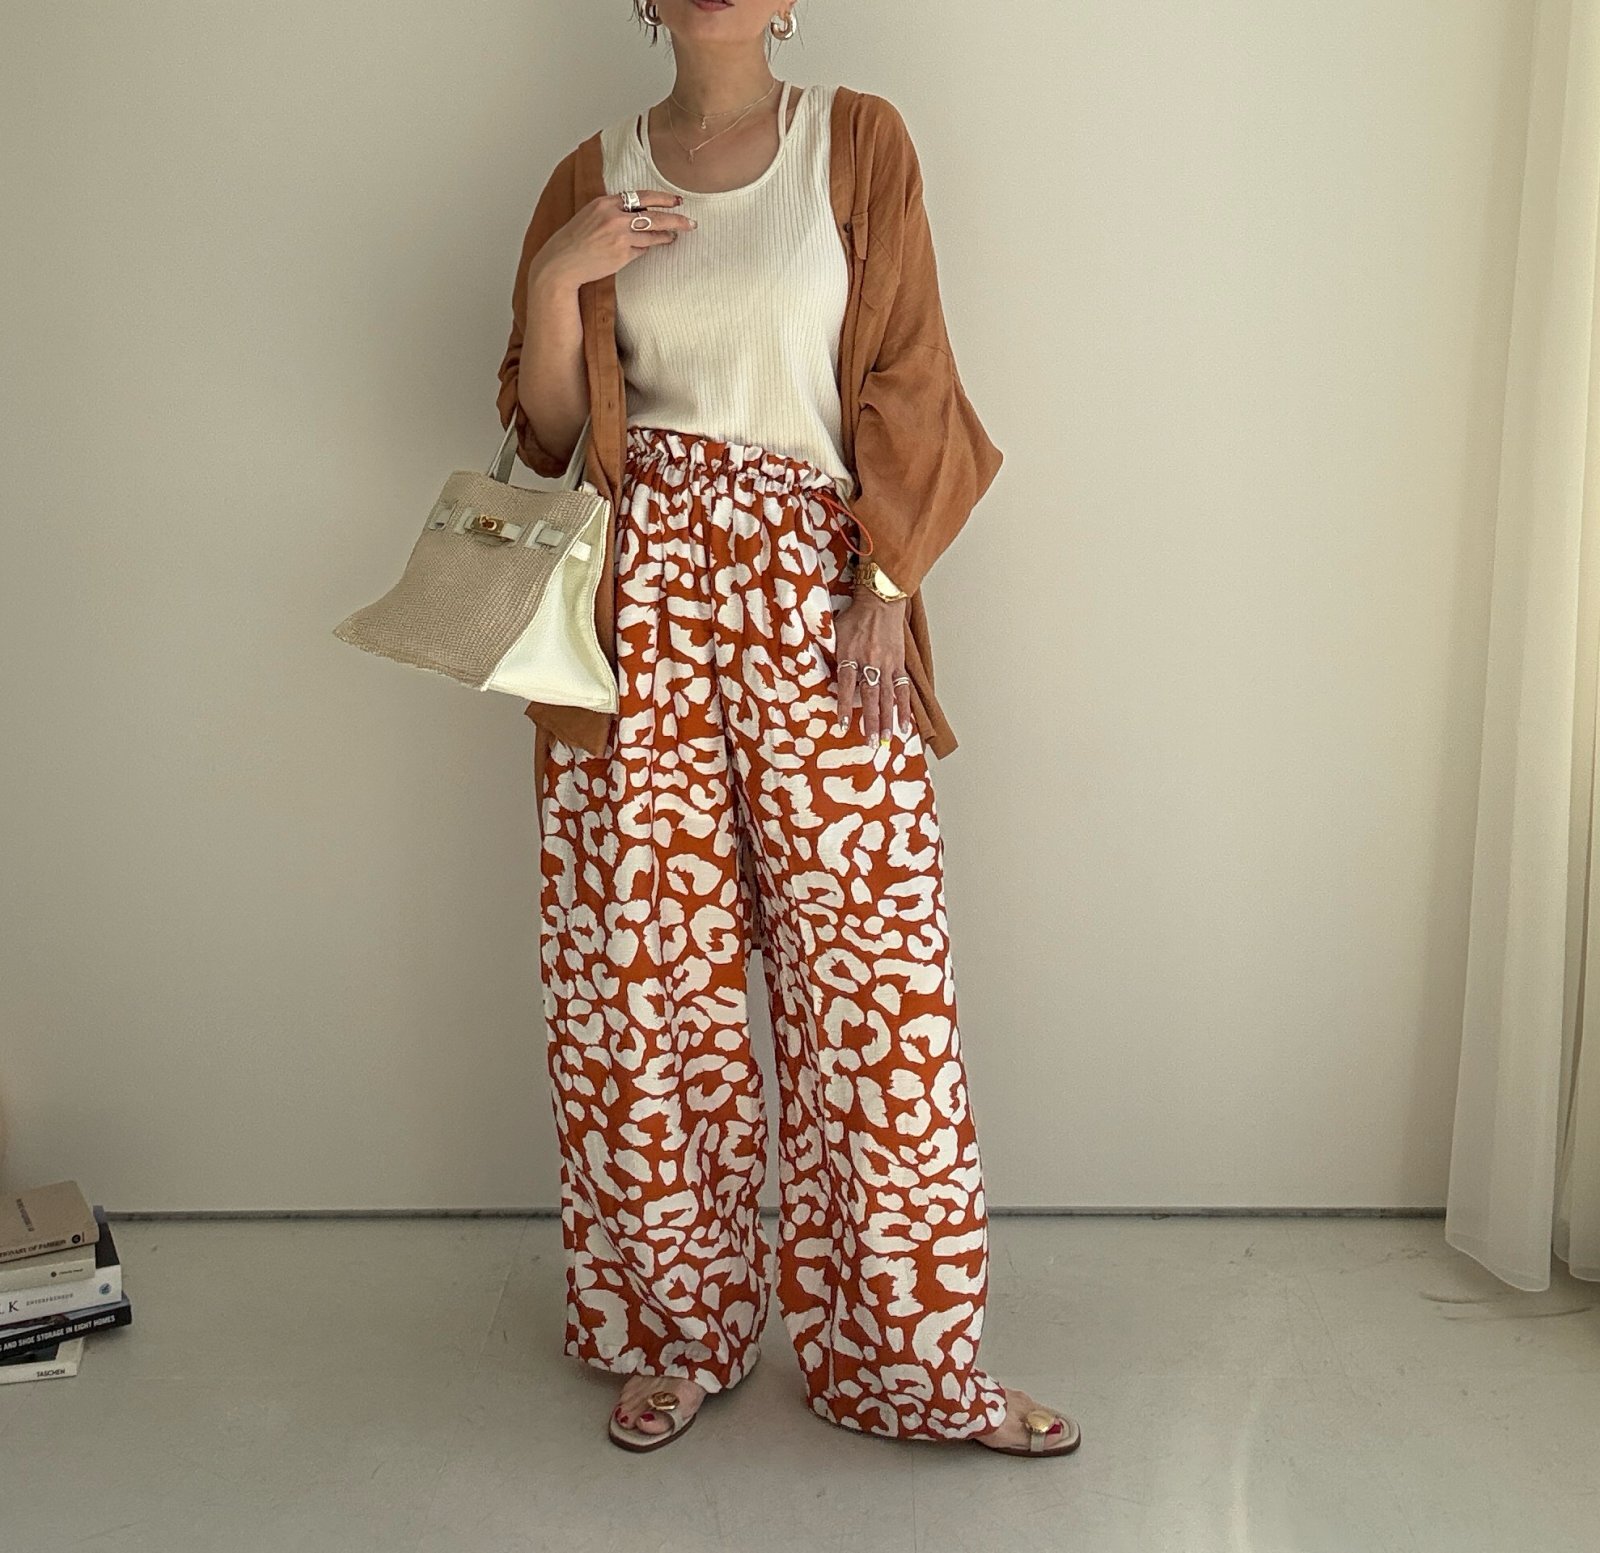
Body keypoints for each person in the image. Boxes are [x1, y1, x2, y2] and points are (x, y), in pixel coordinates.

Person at [500, 0, 1081, 1460]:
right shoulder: (587, 172)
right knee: (646, 986)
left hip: (819, 591)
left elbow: (914, 375)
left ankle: (907, 1362)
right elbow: (549, 436)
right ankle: (673, 1332)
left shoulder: (857, 143)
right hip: (635, 605)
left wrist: (886, 579)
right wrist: (561, 274)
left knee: (874, 985)